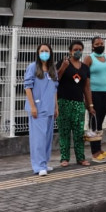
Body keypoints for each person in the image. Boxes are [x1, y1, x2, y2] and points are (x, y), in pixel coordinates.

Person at [57, 40, 94, 167]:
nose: (78, 52)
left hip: (79, 103)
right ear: (70, 51)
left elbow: (86, 87)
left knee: (79, 132)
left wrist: (90, 105)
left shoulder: (85, 67)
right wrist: (63, 67)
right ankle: (64, 158)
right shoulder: (63, 63)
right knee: (64, 131)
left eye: (80, 49)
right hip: (63, 102)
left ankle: (81, 158)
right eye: (75, 49)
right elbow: (56, 79)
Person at [24, 43, 59, 176]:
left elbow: (55, 89)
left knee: (47, 137)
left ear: (50, 53)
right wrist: (32, 106)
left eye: (47, 51)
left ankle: (44, 162)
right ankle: (38, 166)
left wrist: (56, 107)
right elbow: (27, 87)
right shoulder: (33, 67)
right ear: (38, 53)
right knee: (38, 139)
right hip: (38, 109)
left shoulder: (52, 69)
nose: (44, 53)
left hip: (49, 108)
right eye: (42, 51)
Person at [83, 36, 106, 163]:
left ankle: (99, 149)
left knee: (100, 122)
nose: (100, 45)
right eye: (97, 44)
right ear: (92, 46)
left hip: (105, 94)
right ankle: (95, 152)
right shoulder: (89, 58)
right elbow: (85, 80)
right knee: (94, 122)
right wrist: (88, 100)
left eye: (101, 43)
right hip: (94, 94)